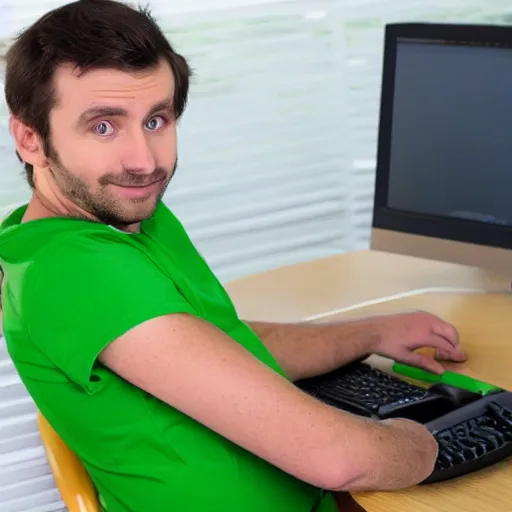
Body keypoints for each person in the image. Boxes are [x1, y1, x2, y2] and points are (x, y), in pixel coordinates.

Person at [0, 1, 467, 511]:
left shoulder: (115, 217)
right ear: (30, 138)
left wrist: (371, 333)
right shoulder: (75, 270)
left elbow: (223, 345)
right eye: (104, 127)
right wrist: (436, 439)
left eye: (156, 120)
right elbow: (338, 458)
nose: (145, 161)